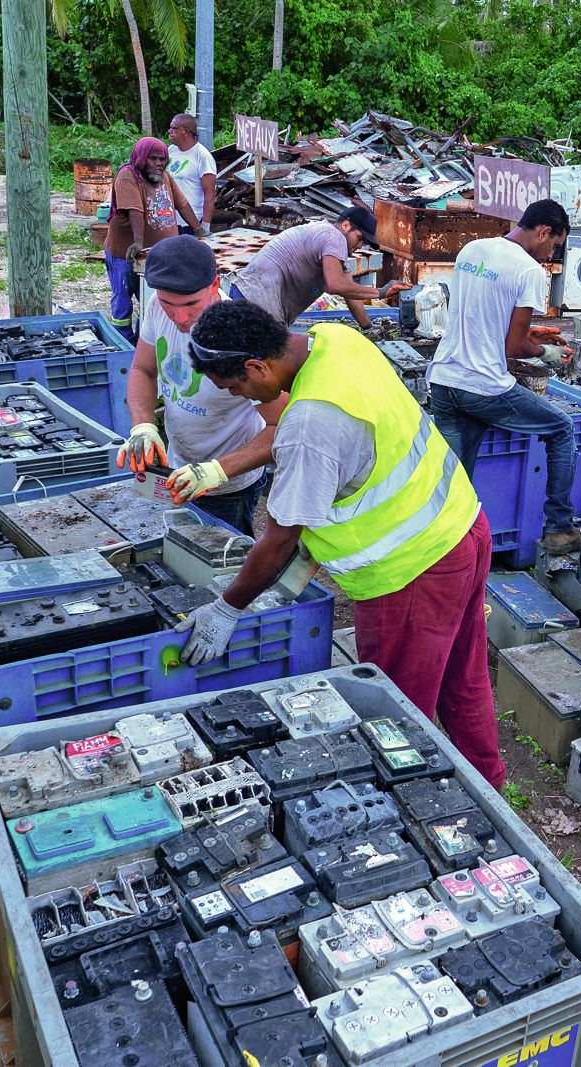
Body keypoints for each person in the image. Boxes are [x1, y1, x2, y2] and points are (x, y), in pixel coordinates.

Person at [171, 300, 505, 788]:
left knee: (394, 714)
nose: (243, 397)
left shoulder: (311, 424)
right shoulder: (335, 340)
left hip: (409, 573)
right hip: (462, 528)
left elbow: (279, 539)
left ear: (256, 365)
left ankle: (415, 811)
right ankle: (488, 789)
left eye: (237, 386)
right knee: (464, 677)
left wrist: (228, 608)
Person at [427, 199, 581, 554]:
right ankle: (559, 528)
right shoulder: (529, 270)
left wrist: (535, 333)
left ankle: (441, 549)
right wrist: (546, 353)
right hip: (482, 387)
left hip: (444, 381)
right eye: (554, 245)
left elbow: (483, 313)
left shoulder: (473, 249)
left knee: (454, 482)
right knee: (561, 428)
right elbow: (513, 345)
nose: (550, 254)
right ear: (544, 231)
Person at [117, 235, 284, 532]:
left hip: (229, 486)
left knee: (225, 567)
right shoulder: (157, 306)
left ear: (214, 284)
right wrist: (142, 426)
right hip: (178, 466)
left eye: (191, 304)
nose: (180, 317)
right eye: (170, 304)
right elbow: (143, 369)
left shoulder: (240, 336)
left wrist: (217, 472)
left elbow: (282, 428)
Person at [225, 206, 396, 329]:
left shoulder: (327, 241)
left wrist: (368, 329)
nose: (359, 245)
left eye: (363, 243)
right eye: (359, 238)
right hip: (257, 302)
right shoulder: (333, 237)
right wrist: (380, 293)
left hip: (247, 294)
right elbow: (335, 285)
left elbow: (349, 292)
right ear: (345, 225)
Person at [103, 137, 202, 341]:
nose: (159, 163)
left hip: (157, 254)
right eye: (153, 159)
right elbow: (135, 210)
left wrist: (200, 230)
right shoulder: (127, 176)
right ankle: (123, 342)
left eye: (162, 159)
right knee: (123, 300)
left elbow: (182, 204)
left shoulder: (164, 176)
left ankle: (144, 340)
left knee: (150, 300)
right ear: (141, 158)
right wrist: (138, 241)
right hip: (127, 253)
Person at [166, 114, 216, 238]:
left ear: (186, 131)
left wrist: (204, 227)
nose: (169, 131)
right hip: (170, 222)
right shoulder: (170, 151)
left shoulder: (202, 156)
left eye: (174, 129)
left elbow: (209, 195)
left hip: (191, 224)